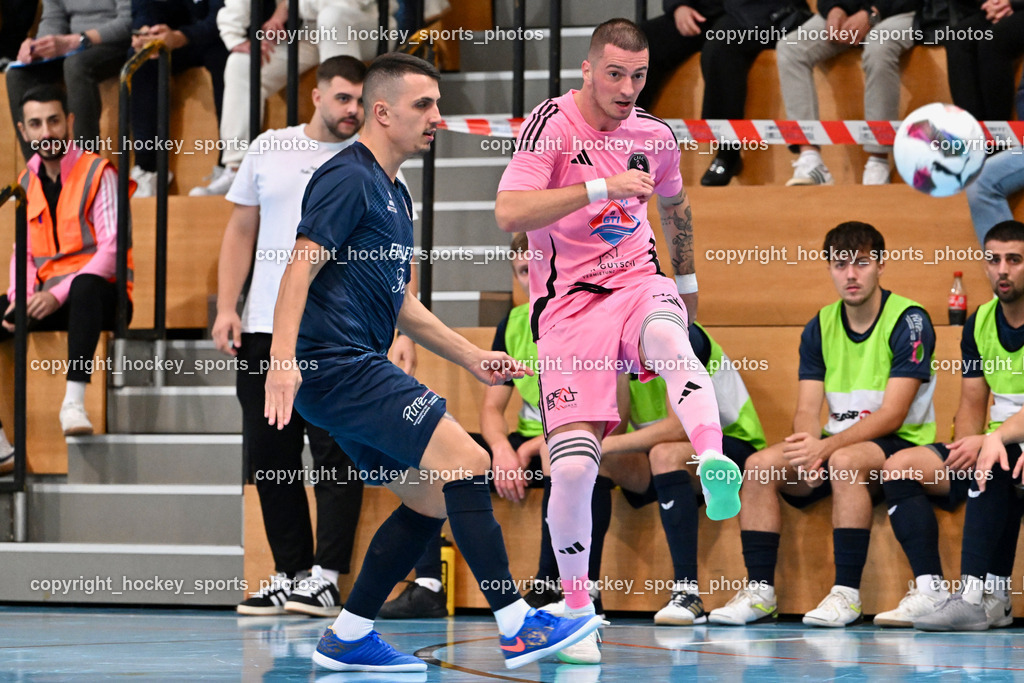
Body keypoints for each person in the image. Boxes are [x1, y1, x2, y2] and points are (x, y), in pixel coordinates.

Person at [264, 52, 601, 672]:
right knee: (470, 463)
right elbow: (299, 266)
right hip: (335, 365)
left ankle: (348, 633)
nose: (437, 118)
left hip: (345, 368)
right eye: (424, 106)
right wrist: (281, 359)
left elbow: (402, 303)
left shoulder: (394, 193)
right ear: (382, 110)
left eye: (438, 105)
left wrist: (475, 356)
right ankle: (516, 624)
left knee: (429, 500)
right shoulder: (348, 178)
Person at [495, 18, 741, 664]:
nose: (629, 88)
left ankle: (713, 458)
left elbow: (676, 209)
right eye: (615, 74)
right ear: (586, 68)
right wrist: (602, 187)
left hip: (638, 281)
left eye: (638, 75)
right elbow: (509, 213)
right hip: (568, 308)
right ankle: (578, 610)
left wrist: (685, 290)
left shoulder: (655, 134)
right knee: (573, 466)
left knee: (670, 339)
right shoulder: (549, 125)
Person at [215, 56, 396, 618]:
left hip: (338, 335)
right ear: (315, 96)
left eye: (360, 101)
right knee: (270, 453)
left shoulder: (373, 159)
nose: (352, 110)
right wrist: (227, 306)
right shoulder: (270, 147)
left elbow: (393, 252)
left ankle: (325, 576)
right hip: (266, 328)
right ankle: (290, 571)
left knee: (335, 450)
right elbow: (241, 228)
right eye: (342, 98)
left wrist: (392, 329)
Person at [709, 221, 937, 628]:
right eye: (839, 264)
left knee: (845, 459)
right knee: (760, 466)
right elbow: (806, 408)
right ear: (829, 268)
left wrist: (826, 450)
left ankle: (847, 594)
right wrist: (807, 446)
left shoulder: (909, 319)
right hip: (836, 443)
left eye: (862, 263)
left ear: (881, 265)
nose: (850, 275)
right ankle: (760, 592)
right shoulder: (820, 324)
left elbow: (893, 414)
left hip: (900, 443)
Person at [602, 323, 767, 625]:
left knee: (664, 454)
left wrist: (605, 444)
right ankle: (585, 593)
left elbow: (680, 428)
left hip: (728, 445)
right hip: (664, 453)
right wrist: (617, 367)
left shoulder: (677, 333)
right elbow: (618, 425)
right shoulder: (615, 340)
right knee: (595, 459)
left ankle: (687, 592)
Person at [910, 220, 1024, 631]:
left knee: (995, 457)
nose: (1002, 270)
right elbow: (973, 403)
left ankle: (974, 595)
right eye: (993, 260)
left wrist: (993, 440)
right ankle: (980, 596)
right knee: (908, 467)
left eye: (1014, 260)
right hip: (1004, 441)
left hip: (1009, 438)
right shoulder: (979, 323)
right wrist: (969, 446)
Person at [5, 85, 133, 445]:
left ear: (70, 122)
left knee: (86, 285)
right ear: (24, 130)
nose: (46, 133)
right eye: (36, 124)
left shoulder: (98, 172)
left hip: (101, 298)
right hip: (48, 298)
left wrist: (56, 295)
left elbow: (111, 249)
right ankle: (1, 446)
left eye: (54, 121)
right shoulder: (25, 183)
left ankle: (73, 403)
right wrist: (22, 296)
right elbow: (23, 253)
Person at [190, 0, 391, 195]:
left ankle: (345, 159)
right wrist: (234, 37)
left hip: (363, 24)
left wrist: (288, 6)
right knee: (241, 63)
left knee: (333, 16)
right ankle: (237, 169)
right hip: (305, 32)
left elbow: (344, 3)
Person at [776, 0, 920, 185]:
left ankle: (878, 160)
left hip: (903, 9)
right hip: (852, 10)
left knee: (879, 47)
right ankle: (810, 159)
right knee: (791, 48)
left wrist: (872, 14)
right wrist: (835, 8)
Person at [6, 0, 131, 161]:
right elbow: (53, 18)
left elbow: (128, 21)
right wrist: (39, 45)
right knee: (17, 75)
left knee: (76, 66)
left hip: (114, 42)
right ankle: (38, 170)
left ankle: (85, 165)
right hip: (71, 46)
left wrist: (78, 40)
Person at [128, 0, 230, 197]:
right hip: (174, 38)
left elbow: (223, 16)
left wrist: (182, 36)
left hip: (220, 38)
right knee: (141, 57)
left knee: (224, 58)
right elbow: (144, 6)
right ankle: (148, 169)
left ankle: (228, 164)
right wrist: (145, 32)